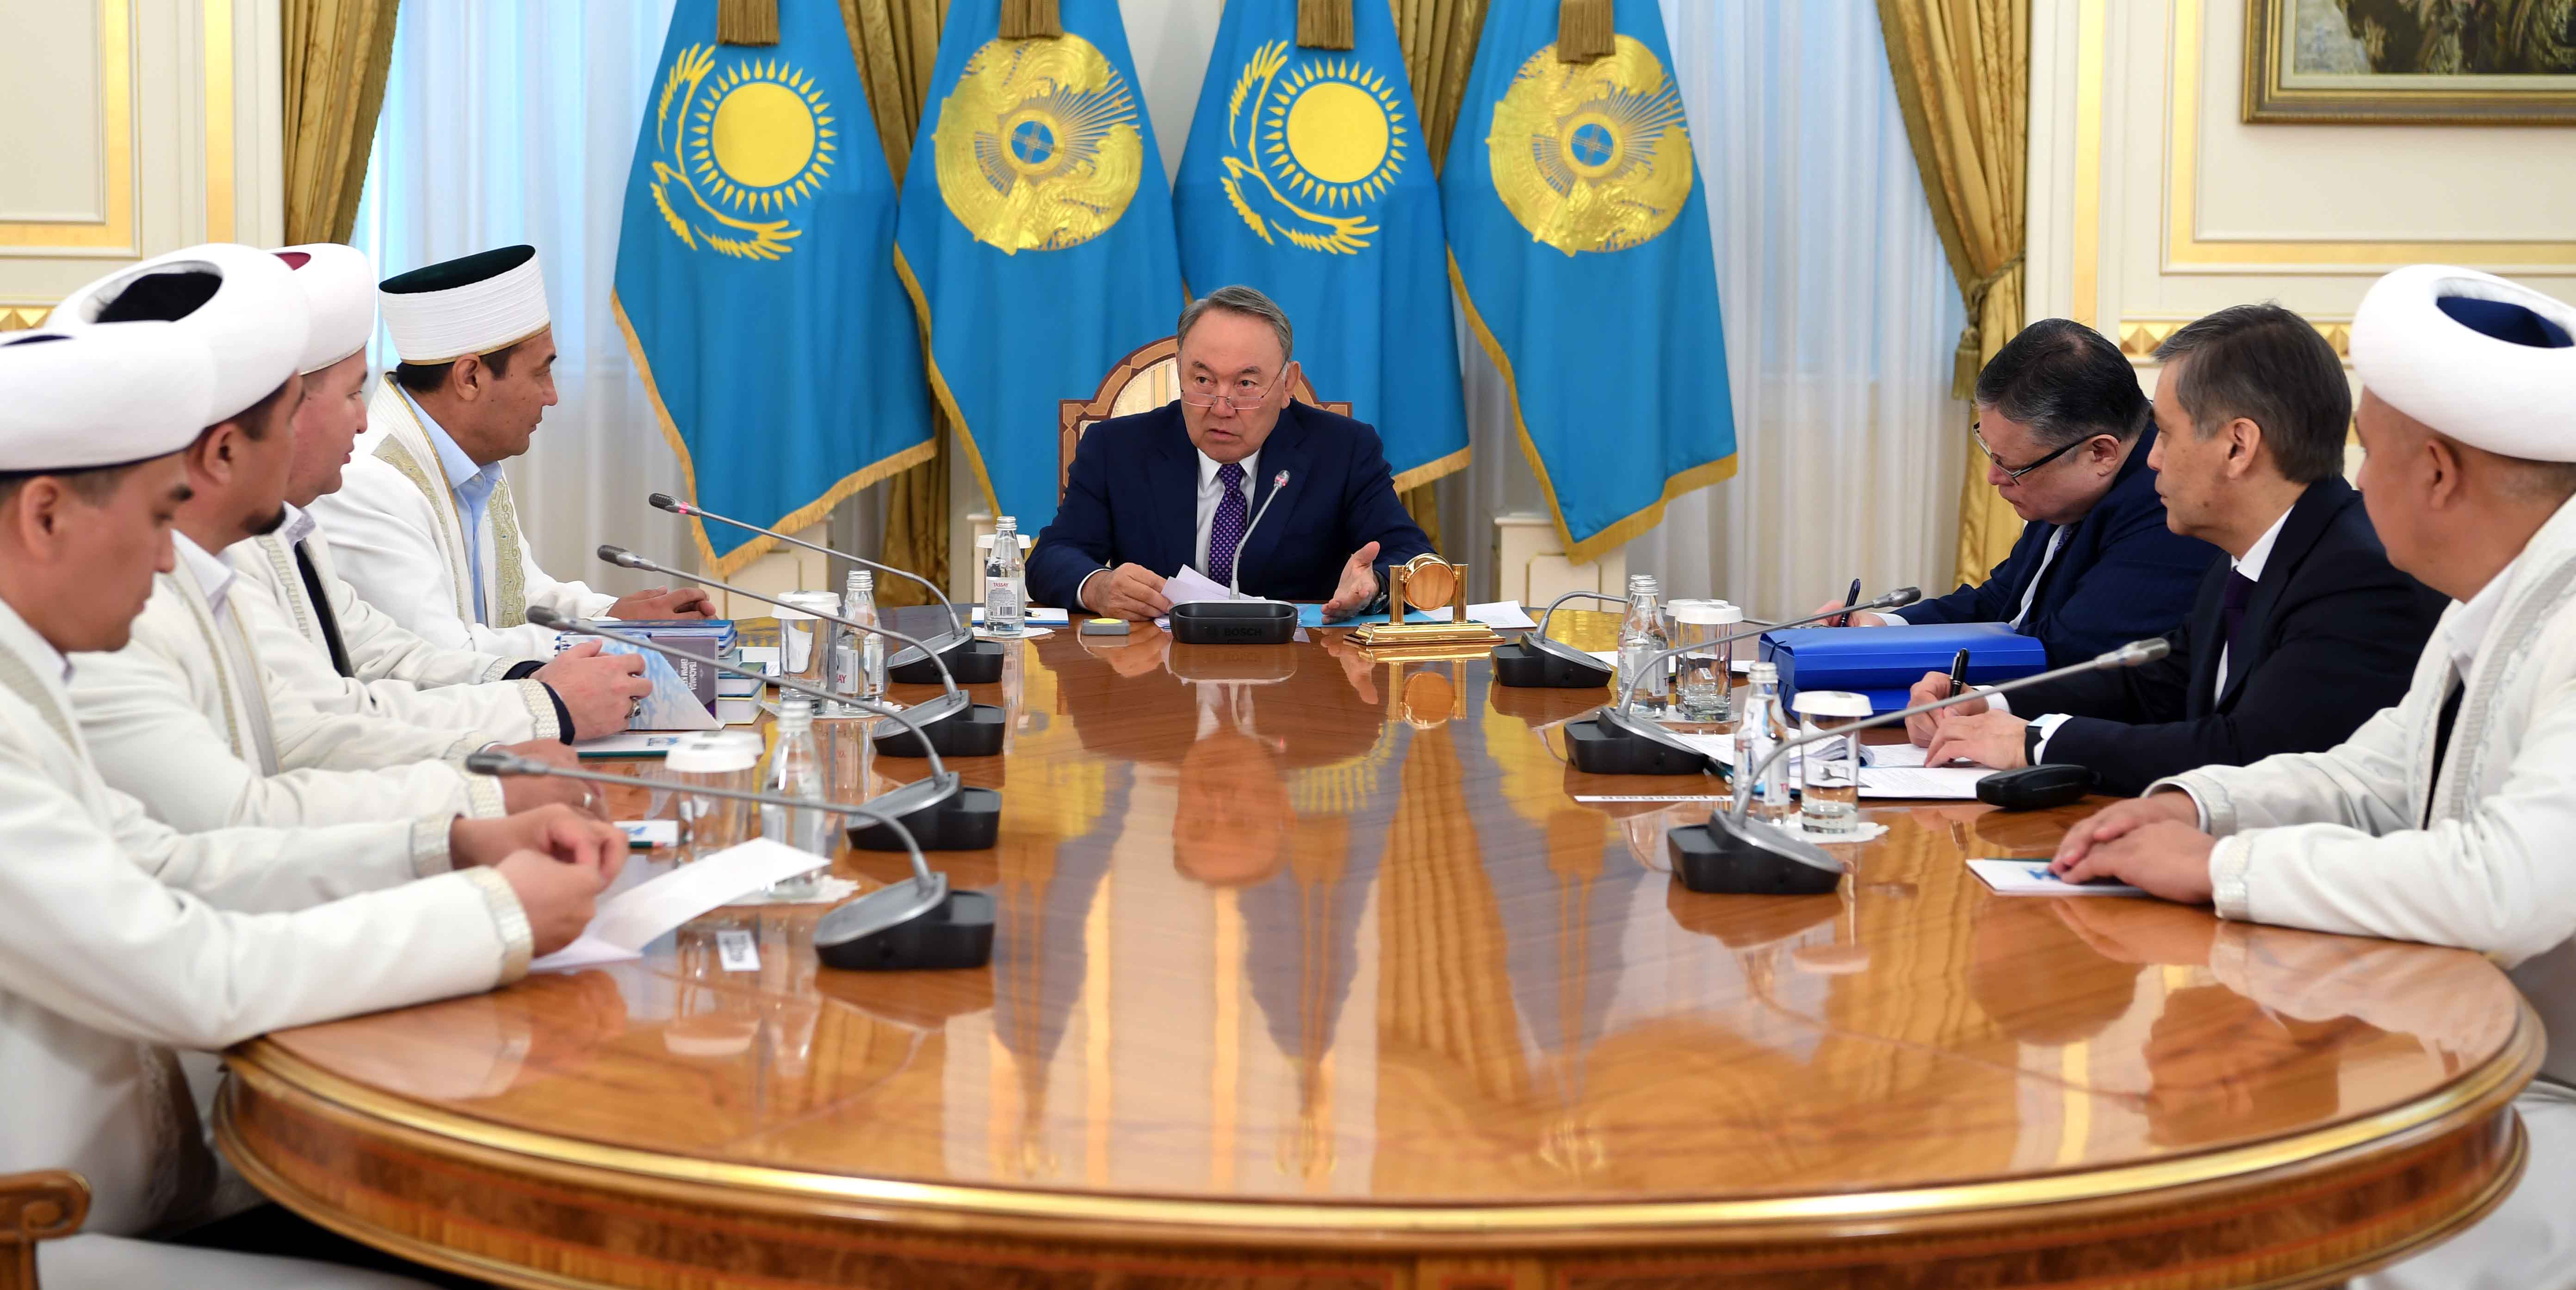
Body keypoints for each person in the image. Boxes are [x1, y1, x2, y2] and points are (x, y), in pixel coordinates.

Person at [0, 322, 622, 1289]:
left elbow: (169, 863)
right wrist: (496, 913)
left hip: (188, 1174)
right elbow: (194, 970)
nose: (167, 563)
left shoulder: (28, 669)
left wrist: (453, 844)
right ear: (46, 515)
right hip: (60, 1237)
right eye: (158, 520)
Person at [2048, 265, 2576, 1290]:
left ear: (2436, 474)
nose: (2351, 482)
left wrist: (2223, 867)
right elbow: (2371, 776)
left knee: (2243, 1231)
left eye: (2368, 451)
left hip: (2547, 1096)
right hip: (2483, 1056)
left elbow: (2508, 884)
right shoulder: (2493, 597)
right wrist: (2195, 805)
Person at [47, 243, 590, 832]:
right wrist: (508, 757)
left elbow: (334, 706)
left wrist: (521, 732)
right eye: (354, 393)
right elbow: (243, 816)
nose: (366, 418)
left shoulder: (262, 534)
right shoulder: (140, 596)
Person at [1905, 304, 2445, 794]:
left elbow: (2250, 756)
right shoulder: (2243, 559)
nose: (2153, 460)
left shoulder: (2358, 576)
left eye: (2165, 434)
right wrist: (1988, 702)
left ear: (2238, 447)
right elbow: (2153, 686)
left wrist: (2034, 743)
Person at [232, 243, 650, 744]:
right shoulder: (363, 479)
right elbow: (337, 717)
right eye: (352, 394)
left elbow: (402, 652)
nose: (363, 419)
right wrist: (551, 699)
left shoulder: (467, 463)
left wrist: (611, 624)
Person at [310, 245, 710, 657]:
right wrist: (616, 635)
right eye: (541, 373)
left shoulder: (471, 459)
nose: (552, 396)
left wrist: (617, 615)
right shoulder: (365, 481)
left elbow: (519, 598)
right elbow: (438, 655)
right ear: (470, 378)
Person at [1028, 285, 1433, 620]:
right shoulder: (1117, 448)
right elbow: (1052, 557)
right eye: (1203, 380)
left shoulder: (1343, 450)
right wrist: (1098, 587)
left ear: (1287, 384)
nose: (1221, 408)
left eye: (1245, 385)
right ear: (1180, 371)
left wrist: (1373, 585)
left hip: (1298, 673)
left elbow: (1413, 556)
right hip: (1155, 671)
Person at [1827, 319, 2218, 666]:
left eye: (2011, 466)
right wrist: (1881, 627)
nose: (1994, 478)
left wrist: (1894, 658)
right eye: (1993, 455)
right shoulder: (2065, 486)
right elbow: (2002, 601)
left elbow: (2069, 651)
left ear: (2100, 453)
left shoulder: (2164, 508)